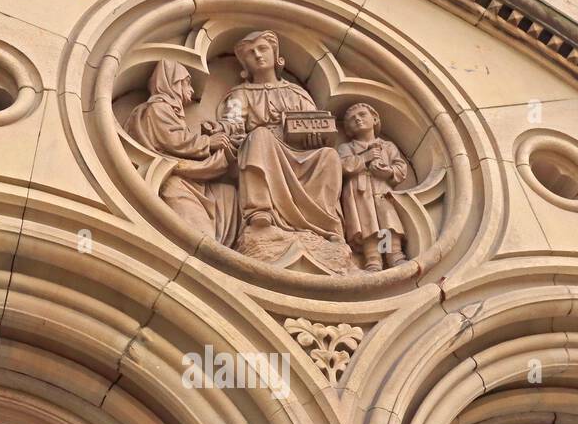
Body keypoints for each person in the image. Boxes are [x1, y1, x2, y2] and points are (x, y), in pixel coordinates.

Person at [218, 31, 345, 245]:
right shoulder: (241, 94)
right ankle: (260, 211)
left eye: (263, 49)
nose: (258, 55)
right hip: (265, 148)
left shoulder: (297, 92)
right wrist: (218, 128)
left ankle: (324, 223)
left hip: (299, 152)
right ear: (245, 63)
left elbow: (314, 122)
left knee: (329, 156)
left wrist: (314, 138)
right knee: (259, 136)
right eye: (250, 53)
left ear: (275, 54)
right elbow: (232, 122)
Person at [125, 59, 239, 246]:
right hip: (175, 179)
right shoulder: (158, 108)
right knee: (199, 232)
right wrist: (208, 142)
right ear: (173, 83)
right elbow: (173, 141)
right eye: (187, 83)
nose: (192, 90)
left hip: (189, 177)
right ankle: (208, 248)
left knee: (229, 194)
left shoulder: (169, 111)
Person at [337, 102, 408, 272]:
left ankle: (394, 255)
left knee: (388, 220)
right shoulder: (347, 147)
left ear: (374, 118)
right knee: (366, 223)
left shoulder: (388, 146)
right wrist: (364, 158)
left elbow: (401, 167)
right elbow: (340, 166)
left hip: (382, 188)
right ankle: (373, 259)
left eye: (362, 115)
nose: (358, 120)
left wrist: (389, 172)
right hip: (358, 191)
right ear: (348, 129)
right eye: (352, 119)